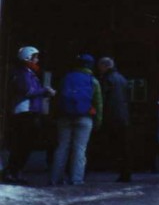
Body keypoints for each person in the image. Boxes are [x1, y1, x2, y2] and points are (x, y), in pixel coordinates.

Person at [4, 46, 56, 184]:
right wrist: (44, 90)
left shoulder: (28, 72)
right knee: (22, 144)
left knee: (24, 144)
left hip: (29, 111)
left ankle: (14, 171)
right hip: (25, 111)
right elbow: (27, 90)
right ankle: (14, 172)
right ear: (27, 57)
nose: (37, 60)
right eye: (35, 57)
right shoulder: (23, 73)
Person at [51, 54, 103, 186]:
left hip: (64, 117)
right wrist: (97, 121)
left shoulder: (66, 78)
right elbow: (98, 104)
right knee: (80, 149)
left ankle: (55, 178)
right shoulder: (93, 81)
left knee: (62, 147)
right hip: (84, 118)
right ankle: (76, 179)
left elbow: (58, 99)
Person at [97, 57, 133, 183]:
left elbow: (102, 99)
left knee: (115, 144)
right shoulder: (122, 78)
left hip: (111, 116)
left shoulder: (107, 79)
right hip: (123, 116)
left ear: (104, 66)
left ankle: (119, 170)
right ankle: (125, 172)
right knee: (123, 145)